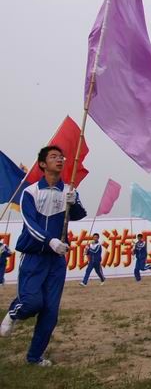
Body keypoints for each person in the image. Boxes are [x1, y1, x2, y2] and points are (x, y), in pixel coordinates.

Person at [0, 145, 87, 366]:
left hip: (56, 261)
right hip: (34, 256)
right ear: (42, 164)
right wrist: (51, 240)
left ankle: (34, 357)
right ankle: (14, 312)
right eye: (54, 157)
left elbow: (78, 215)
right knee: (31, 303)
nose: (59, 159)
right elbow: (30, 224)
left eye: (61, 157)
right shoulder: (30, 192)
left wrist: (73, 202)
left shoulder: (67, 189)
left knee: (50, 313)